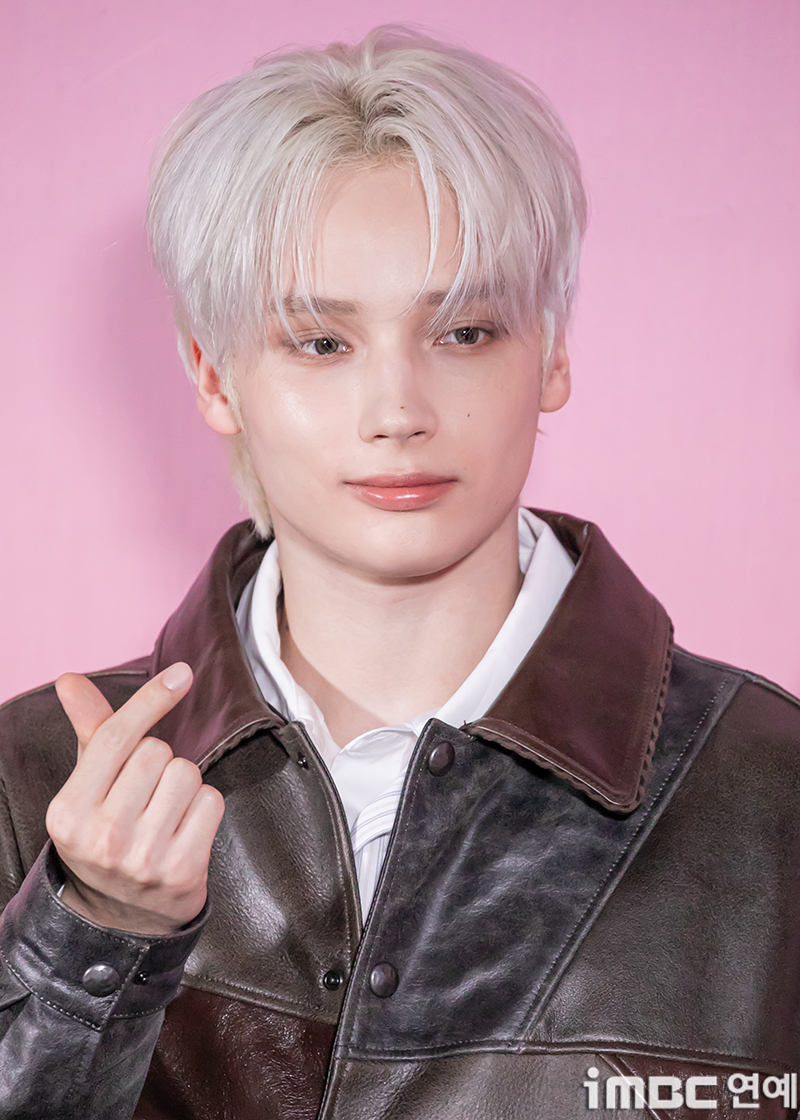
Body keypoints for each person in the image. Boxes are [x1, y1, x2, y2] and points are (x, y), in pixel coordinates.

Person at [0, 23, 799, 1120]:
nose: (398, 411)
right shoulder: (29, 783)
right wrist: (96, 944)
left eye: (465, 331)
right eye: (320, 342)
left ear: (552, 350)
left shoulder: (769, 790)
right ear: (213, 375)